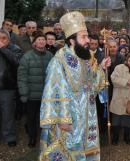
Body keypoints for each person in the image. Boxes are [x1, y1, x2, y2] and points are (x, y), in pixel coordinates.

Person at [39, 11, 111, 161]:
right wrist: (63, 119)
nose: (88, 40)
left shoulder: (86, 57)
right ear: (72, 41)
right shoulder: (59, 60)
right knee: (68, 151)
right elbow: (54, 91)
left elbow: (93, 85)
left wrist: (101, 68)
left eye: (87, 36)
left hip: (88, 114)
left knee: (85, 148)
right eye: (83, 37)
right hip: (70, 117)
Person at [17, 31, 53, 148]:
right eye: (39, 40)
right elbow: (22, 76)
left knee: (45, 118)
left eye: (43, 39)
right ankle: (32, 138)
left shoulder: (50, 56)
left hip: (46, 95)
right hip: (32, 95)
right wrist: (23, 93)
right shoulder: (27, 57)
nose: (41, 41)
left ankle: (45, 138)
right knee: (31, 118)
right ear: (34, 42)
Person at [0, 30, 22, 147]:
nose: (0, 40)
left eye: (3, 38)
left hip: (7, 88)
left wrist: (3, 49)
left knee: (8, 114)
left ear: (8, 40)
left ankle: (10, 137)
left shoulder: (15, 49)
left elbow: (17, 62)